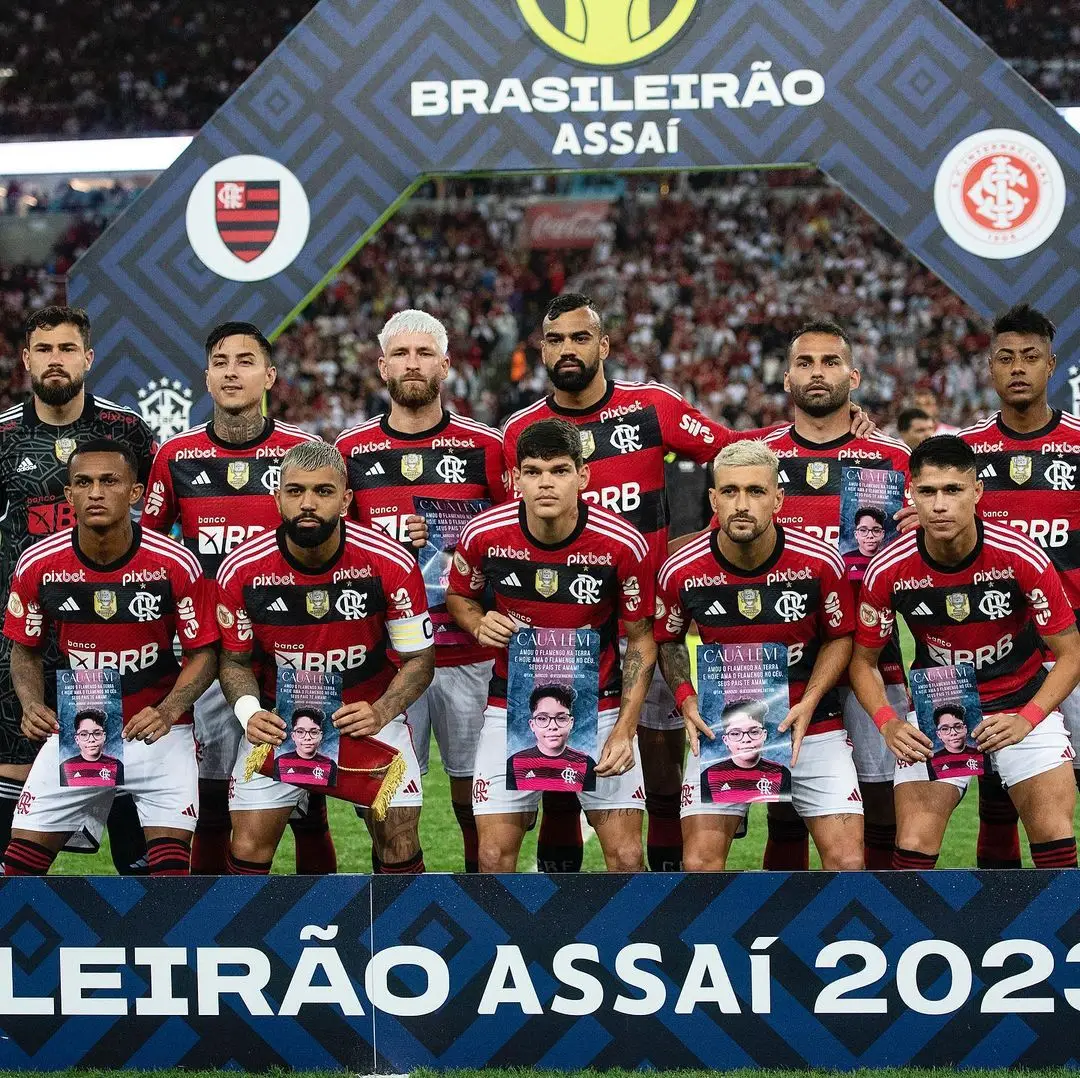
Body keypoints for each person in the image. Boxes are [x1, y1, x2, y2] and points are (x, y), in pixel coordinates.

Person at [501, 295, 854, 872]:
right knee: (560, 767)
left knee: (662, 759)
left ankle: (665, 900)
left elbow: (738, 456)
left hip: (648, 618)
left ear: (604, 346)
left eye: (580, 338)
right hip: (560, 626)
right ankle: (559, 910)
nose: (568, 349)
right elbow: (502, 522)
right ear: (542, 349)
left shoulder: (652, 408)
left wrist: (837, 426)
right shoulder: (522, 430)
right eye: (556, 340)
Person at [142, 320, 332, 874]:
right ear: (206, 377)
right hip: (209, 651)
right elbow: (149, 551)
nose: (232, 371)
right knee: (210, 798)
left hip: (291, 647)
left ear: (269, 375)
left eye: (246, 360)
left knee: (307, 797)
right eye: (221, 361)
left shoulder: (304, 453)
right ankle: (207, 923)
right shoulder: (176, 456)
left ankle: (312, 917)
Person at [851, 435, 1080, 870]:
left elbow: (1071, 653)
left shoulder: (1020, 554)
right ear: (911, 494)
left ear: (976, 492)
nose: (939, 505)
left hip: (1018, 701)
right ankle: (911, 938)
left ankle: (1054, 938)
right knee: (914, 840)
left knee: (1053, 832)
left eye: (953, 490)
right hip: (941, 705)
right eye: (927, 491)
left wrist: (1027, 718)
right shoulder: (887, 567)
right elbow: (862, 662)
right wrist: (888, 723)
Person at [335, 310, 505, 873]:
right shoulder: (351, 449)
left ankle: (487, 909)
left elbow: (509, 542)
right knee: (386, 805)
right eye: (402, 354)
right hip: (387, 660)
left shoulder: (487, 447)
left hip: (469, 652)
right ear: (382, 366)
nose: (413, 363)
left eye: (424, 353)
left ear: (446, 365)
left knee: (474, 800)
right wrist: (374, 538)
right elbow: (330, 550)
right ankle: (405, 908)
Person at [446, 418, 655, 873]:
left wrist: (625, 728)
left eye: (559, 470)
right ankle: (503, 945)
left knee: (626, 856)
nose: (546, 482)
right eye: (534, 471)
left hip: (598, 708)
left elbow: (641, 640)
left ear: (583, 476)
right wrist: (478, 621)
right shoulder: (484, 534)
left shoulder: (623, 544)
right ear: (516, 478)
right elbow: (459, 595)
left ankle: (631, 943)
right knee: (493, 855)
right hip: (511, 705)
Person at [2, 439, 219, 876]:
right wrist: (30, 704)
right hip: (77, 730)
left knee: (170, 878)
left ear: (135, 492)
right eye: (83, 482)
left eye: (109, 481)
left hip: (159, 733)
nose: (95, 492)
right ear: (69, 496)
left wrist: (169, 709)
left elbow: (203, 654)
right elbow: (23, 650)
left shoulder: (174, 562)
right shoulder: (38, 563)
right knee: (17, 872)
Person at [217, 441, 435, 876]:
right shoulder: (241, 569)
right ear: (276, 497)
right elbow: (235, 662)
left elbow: (419, 660)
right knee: (246, 843)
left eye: (323, 491)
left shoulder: (388, 562)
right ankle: (242, 938)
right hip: (281, 719)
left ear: (346, 499)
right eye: (295, 491)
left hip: (369, 712)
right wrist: (249, 713)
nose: (308, 503)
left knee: (400, 836)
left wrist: (382, 710)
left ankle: (400, 939)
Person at [655, 440, 862, 871]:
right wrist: (685, 696)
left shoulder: (820, 562)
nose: (742, 504)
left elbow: (841, 637)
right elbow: (668, 639)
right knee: (699, 864)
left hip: (812, 725)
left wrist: (810, 700)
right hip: (723, 727)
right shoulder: (681, 569)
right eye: (729, 492)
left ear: (778, 499)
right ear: (713, 499)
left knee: (847, 862)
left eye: (755, 491)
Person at [0, 306, 156, 872]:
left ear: (87, 358)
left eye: (67, 349)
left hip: (114, 636)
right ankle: (13, 927)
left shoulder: (126, 431)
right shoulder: (4, 437)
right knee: (16, 780)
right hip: (25, 641)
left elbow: (159, 526)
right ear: (26, 361)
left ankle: (143, 923)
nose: (56, 360)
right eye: (44, 350)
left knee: (126, 774)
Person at [755, 320, 910, 871]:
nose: (817, 373)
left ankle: (885, 922)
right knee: (787, 803)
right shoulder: (759, 459)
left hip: (872, 652)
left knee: (882, 791)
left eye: (829, 361)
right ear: (787, 378)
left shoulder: (890, 458)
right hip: (789, 658)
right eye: (805, 362)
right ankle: (784, 933)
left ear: (854, 375)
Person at [959, 303, 1080, 868]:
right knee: (999, 798)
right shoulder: (963, 455)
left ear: (1051, 365)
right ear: (989, 368)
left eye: (1030, 357)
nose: (1018, 368)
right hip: (1001, 656)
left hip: (1071, 650)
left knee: (1062, 798)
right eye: (1005, 357)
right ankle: (996, 928)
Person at [506, 685, 596, 792]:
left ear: (571, 722)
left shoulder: (586, 763)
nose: (552, 726)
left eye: (561, 718)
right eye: (542, 718)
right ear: (532, 725)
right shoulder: (514, 763)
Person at [700, 701, 791, 804]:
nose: (746, 739)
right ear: (726, 740)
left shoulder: (781, 774)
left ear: (764, 735)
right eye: (735, 733)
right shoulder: (709, 776)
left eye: (754, 732)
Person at [273, 709, 338, 787]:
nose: (307, 737)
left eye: (314, 732)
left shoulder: (330, 765)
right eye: (300, 731)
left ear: (320, 735)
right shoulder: (280, 762)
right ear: (293, 736)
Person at [61, 710, 123, 787]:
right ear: (77, 739)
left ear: (104, 736)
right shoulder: (65, 767)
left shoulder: (117, 765)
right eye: (84, 734)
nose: (91, 739)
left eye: (97, 733)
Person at [928, 705, 982, 780]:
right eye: (945, 729)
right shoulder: (933, 760)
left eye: (958, 727)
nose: (953, 733)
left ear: (965, 729)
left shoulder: (980, 755)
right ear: (939, 734)